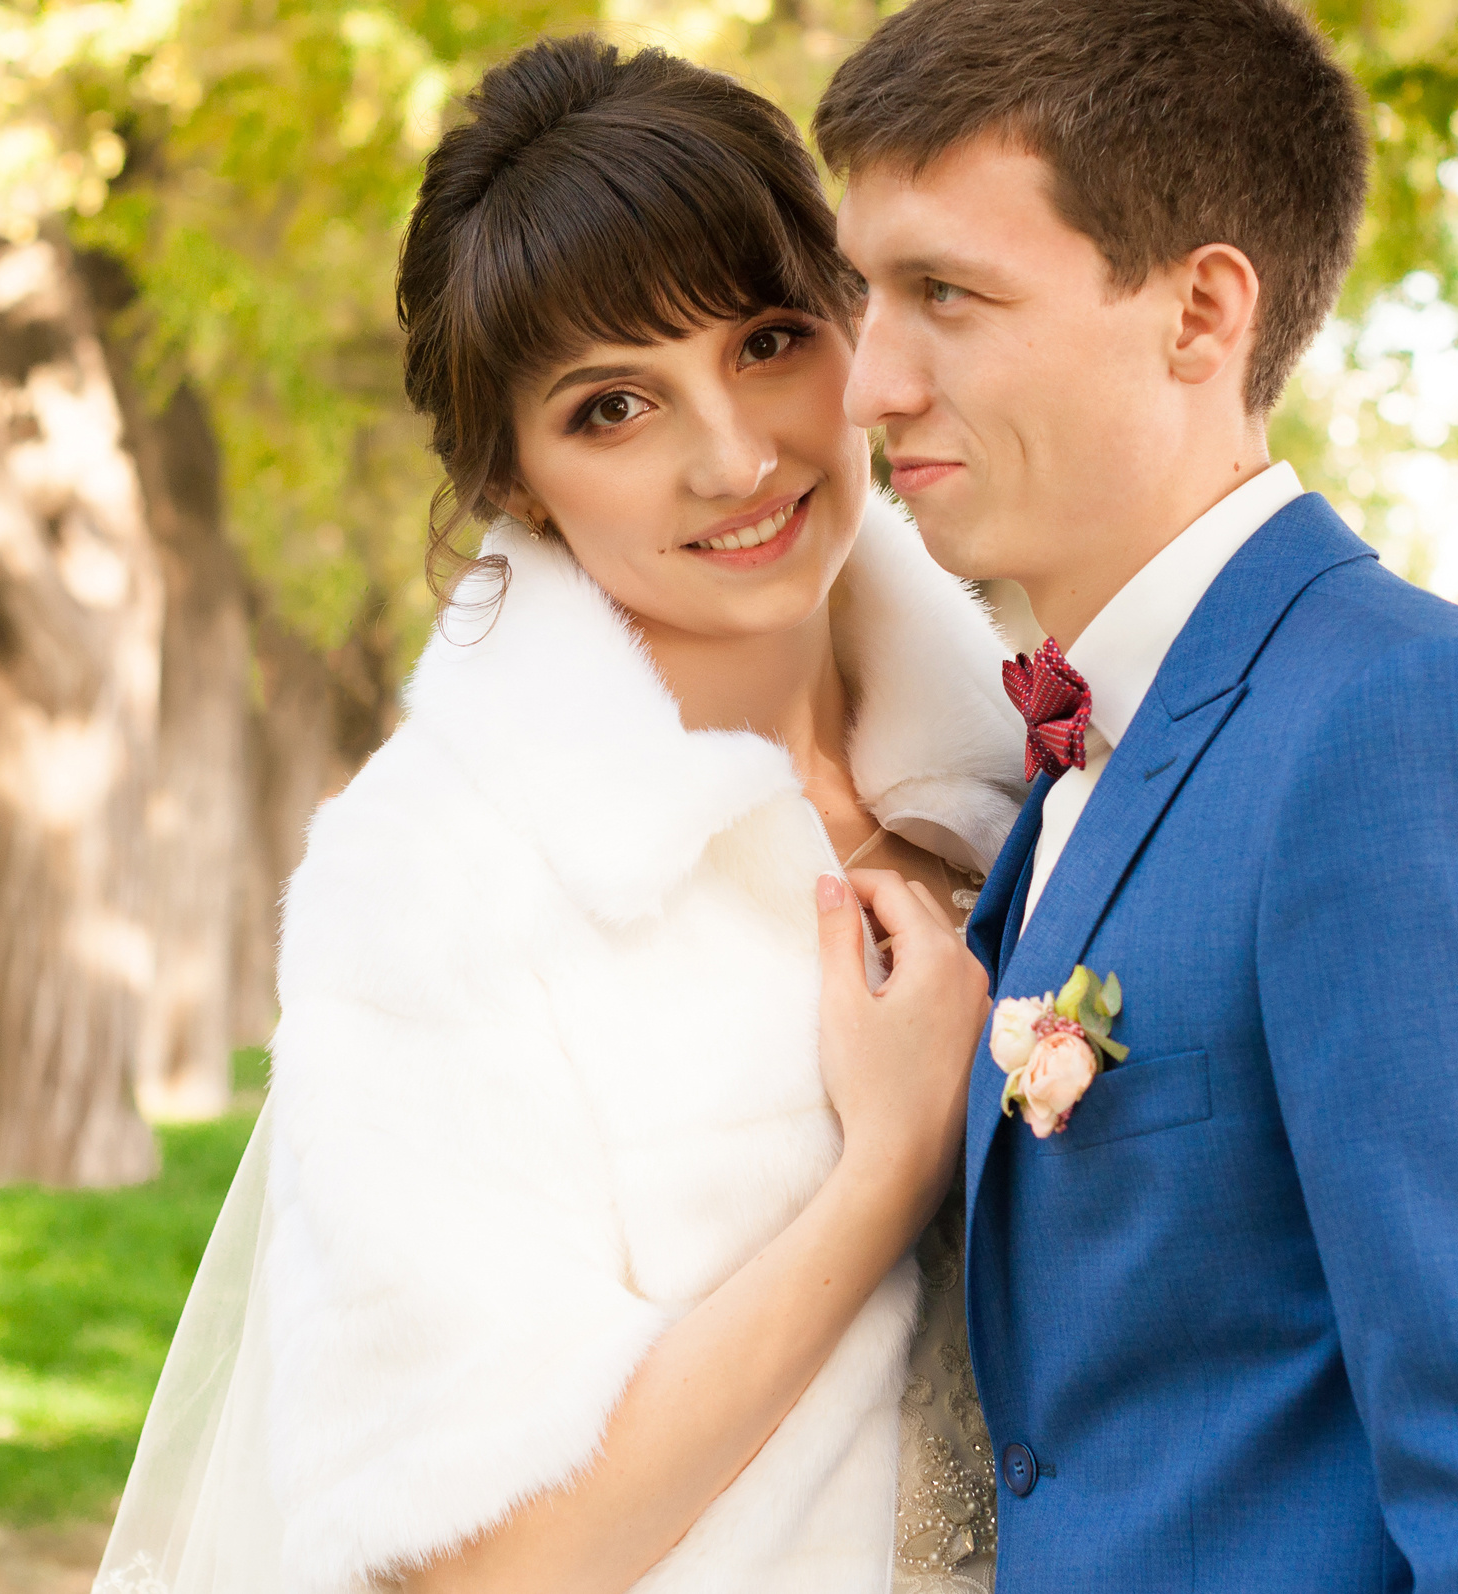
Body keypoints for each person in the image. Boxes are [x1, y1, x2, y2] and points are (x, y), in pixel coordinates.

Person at [94, 36, 1019, 1594]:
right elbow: (468, 1561)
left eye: (769, 339)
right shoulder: (440, 880)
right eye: (612, 408)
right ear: (517, 481)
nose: (734, 454)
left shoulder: (1031, 768)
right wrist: (886, 1169)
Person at [814, 1, 1458, 1589]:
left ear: (1202, 313)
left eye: (943, 292)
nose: (870, 382)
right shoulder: (1079, 744)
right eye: (864, 296)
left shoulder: (1415, 734)